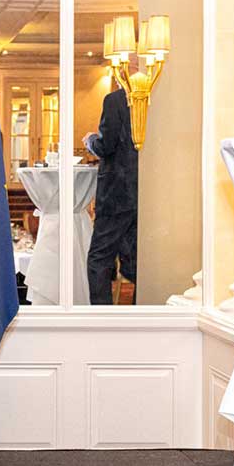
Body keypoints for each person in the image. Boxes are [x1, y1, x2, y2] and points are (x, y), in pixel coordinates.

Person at [83, 74, 139, 305]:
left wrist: (90, 140)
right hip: (145, 191)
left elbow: (106, 146)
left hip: (116, 192)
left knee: (99, 258)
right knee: (137, 260)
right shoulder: (156, 100)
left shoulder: (115, 100)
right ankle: (141, 312)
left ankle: (101, 315)